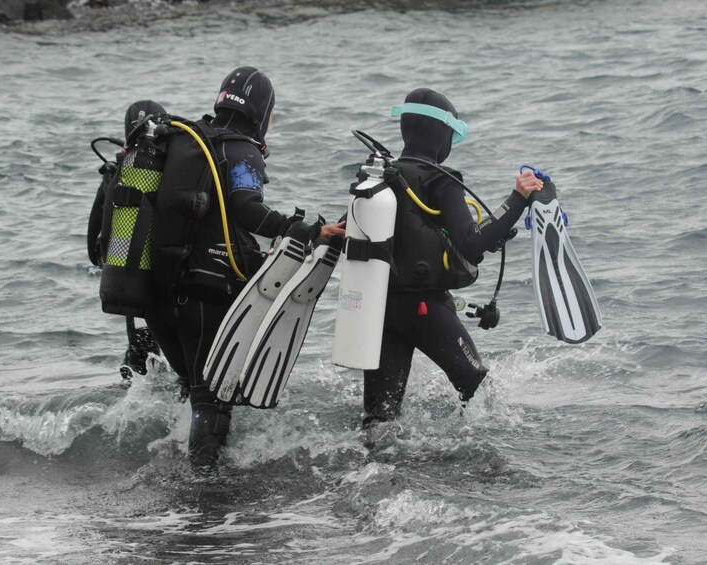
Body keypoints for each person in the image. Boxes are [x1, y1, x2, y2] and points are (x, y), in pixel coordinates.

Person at [143, 66, 345, 466]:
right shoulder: (241, 149)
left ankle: (176, 471)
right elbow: (245, 208)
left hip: (161, 288)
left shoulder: (189, 141)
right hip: (204, 291)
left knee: (193, 384)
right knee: (212, 397)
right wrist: (305, 231)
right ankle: (205, 492)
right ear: (262, 111)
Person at [362, 88, 543, 428]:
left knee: (380, 417)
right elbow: (472, 243)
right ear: (442, 135)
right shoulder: (442, 181)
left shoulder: (380, 177)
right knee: (480, 389)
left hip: (381, 309)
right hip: (426, 308)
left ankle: (371, 473)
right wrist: (518, 199)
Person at [87, 100, 163, 385]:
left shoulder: (116, 171)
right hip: (168, 277)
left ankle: (132, 388)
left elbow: (94, 236)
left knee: (139, 353)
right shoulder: (170, 167)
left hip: (128, 276)